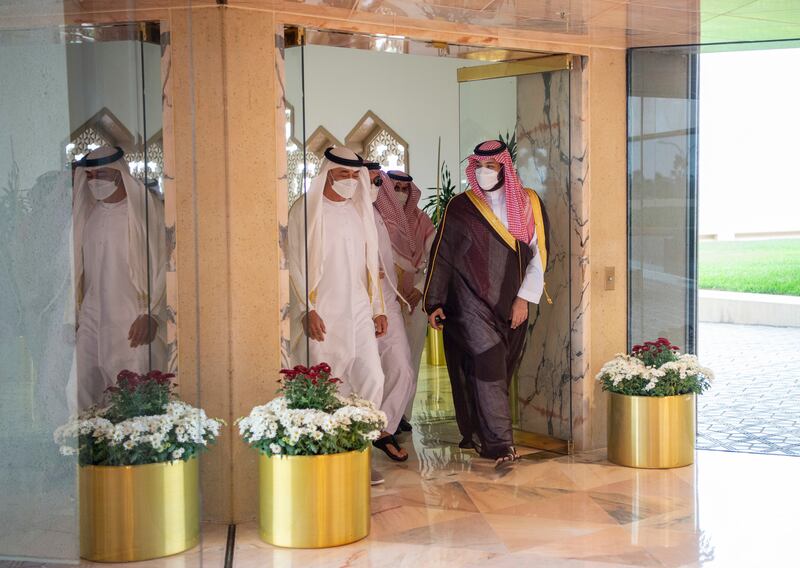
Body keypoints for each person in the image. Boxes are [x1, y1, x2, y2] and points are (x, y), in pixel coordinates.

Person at [423, 139, 549, 467]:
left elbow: (538, 258)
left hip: (511, 302)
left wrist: (523, 300)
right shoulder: (460, 206)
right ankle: (501, 445)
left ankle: (479, 431)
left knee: (494, 371)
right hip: (467, 302)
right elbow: (443, 255)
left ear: (504, 167)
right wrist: (434, 300)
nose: (484, 172)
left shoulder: (528, 203)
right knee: (490, 364)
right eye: (478, 166)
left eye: (491, 166)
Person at [287, 147, 389, 483]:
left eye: (353, 175)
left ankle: (359, 451)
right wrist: (306, 309)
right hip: (324, 308)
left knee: (373, 376)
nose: (349, 180)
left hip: (358, 306)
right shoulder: (306, 209)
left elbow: (368, 263)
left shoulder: (359, 210)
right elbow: (295, 264)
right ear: (328, 172)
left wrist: (378, 309)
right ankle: (328, 456)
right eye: (343, 174)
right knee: (330, 382)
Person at [68, 146, 167, 411]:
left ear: (120, 173)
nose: (94, 181)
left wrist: (152, 312)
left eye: (101, 174)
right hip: (91, 315)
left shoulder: (144, 213)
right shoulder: (89, 215)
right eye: (89, 176)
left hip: (130, 319)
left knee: (130, 396)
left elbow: (164, 266)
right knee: (78, 389)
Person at [375, 170, 436, 431]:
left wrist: (421, 288)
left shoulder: (423, 221)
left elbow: (435, 258)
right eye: (395, 187)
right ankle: (379, 414)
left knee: (410, 356)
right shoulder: (378, 219)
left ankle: (401, 415)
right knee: (383, 360)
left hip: (414, 299)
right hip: (383, 299)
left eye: (404, 189)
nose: (400, 193)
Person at [365, 162, 415, 462]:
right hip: (356, 303)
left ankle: (382, 428)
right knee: (363, 375)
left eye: (376, 182)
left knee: (403, 369)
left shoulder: (378, 214)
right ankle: (358, 439)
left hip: (387, 300)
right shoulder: (347, 215)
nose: (377, 189)